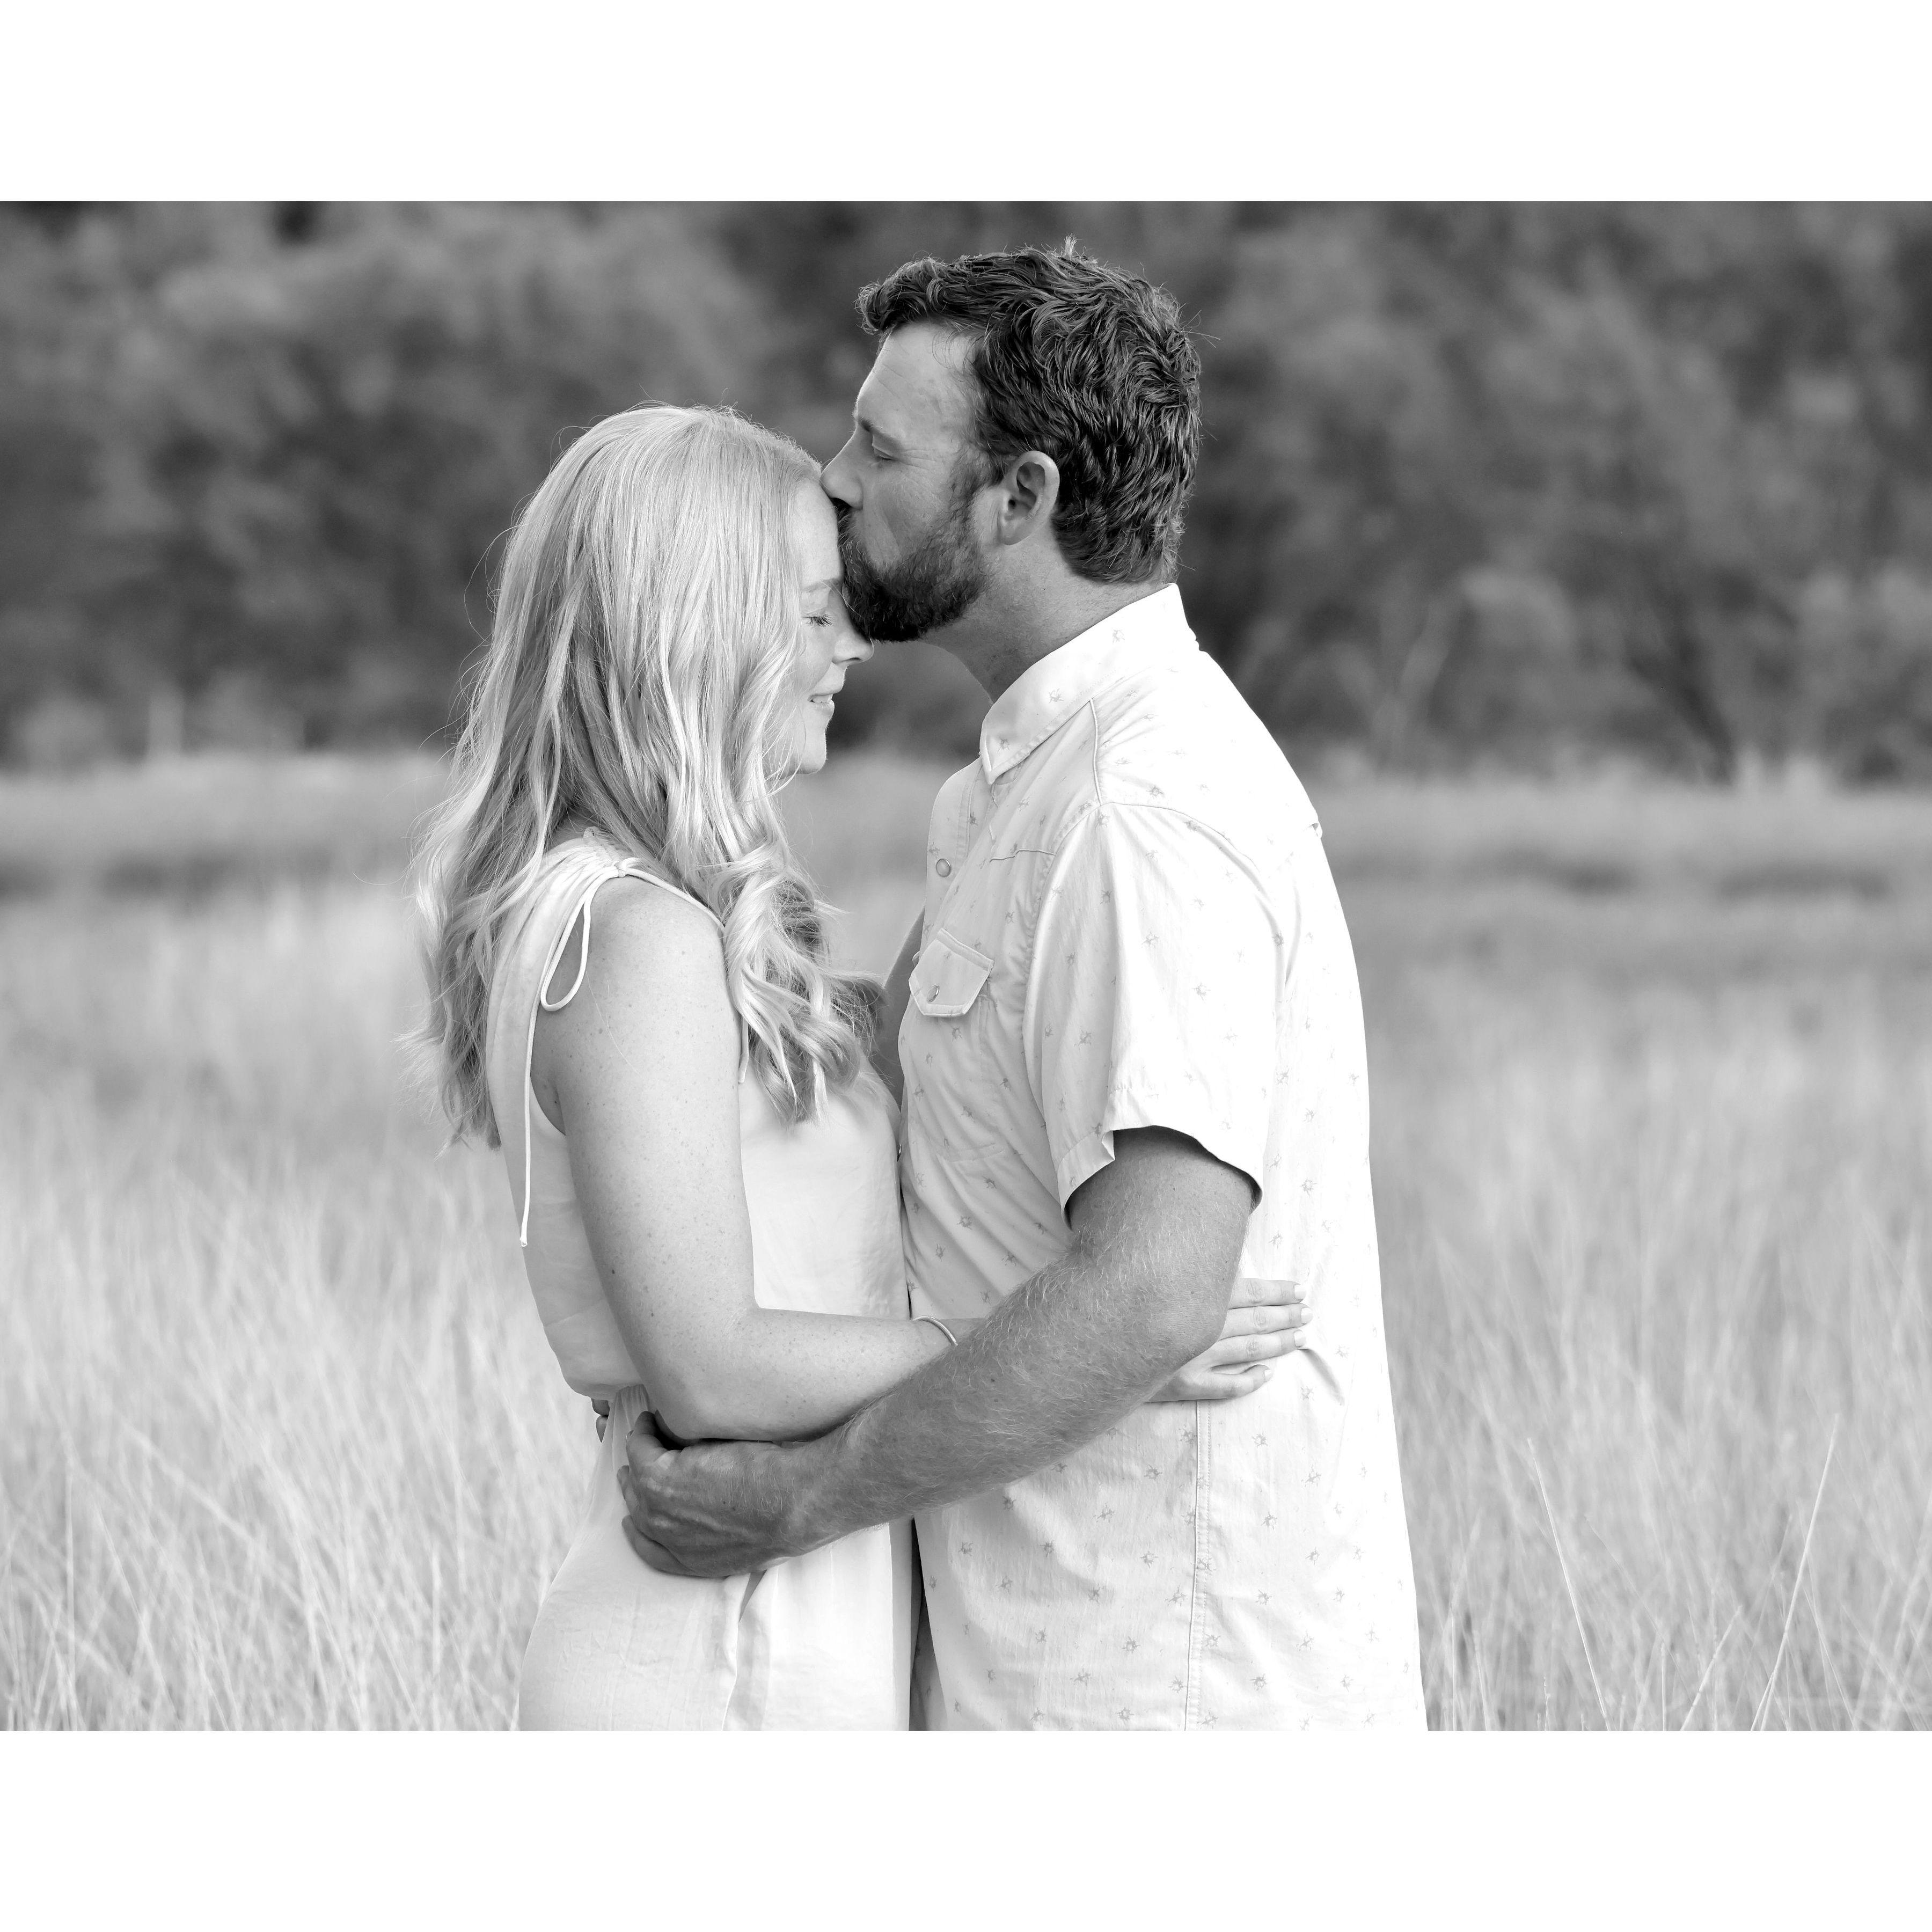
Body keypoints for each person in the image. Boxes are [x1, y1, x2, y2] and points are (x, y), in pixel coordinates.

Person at [619, 247, 1429, 1729]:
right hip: (1054, 1668)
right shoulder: (1022, 788)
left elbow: (1153, 1290)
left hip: (1169, 1699)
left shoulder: (1138, 811)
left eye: (882, 448)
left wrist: (799, 1500)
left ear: (1020, 498)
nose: (835, 479)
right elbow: (905, 1098)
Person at [411, 401, 1306, 1728]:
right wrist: (1078, 1350)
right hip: (718, 1638)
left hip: (782, 1614)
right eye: (811, 611)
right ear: (696, 631)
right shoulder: (634, 938)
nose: (850, 644)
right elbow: (711, 1369)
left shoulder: (652, 924)